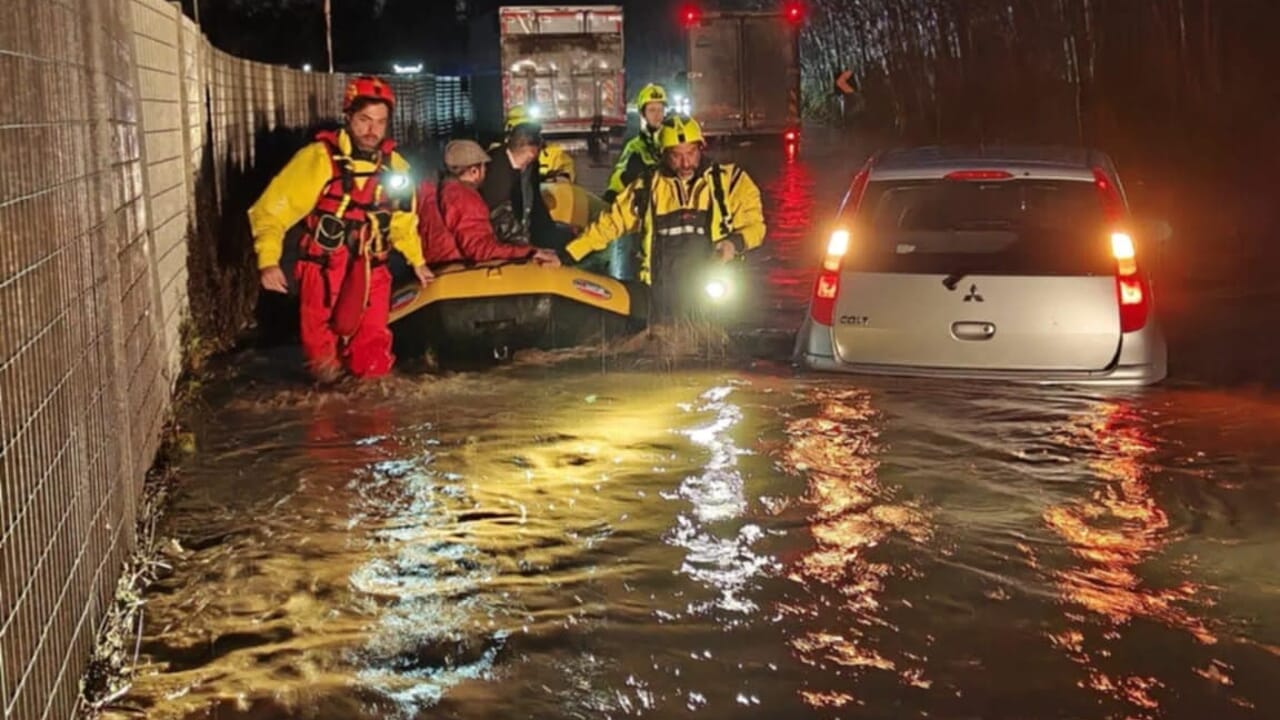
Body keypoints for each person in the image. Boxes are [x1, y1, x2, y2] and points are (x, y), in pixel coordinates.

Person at [249, 75, 433, 383]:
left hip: (372, 269)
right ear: (348, 117)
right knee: (323, 360)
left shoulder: (396, 167)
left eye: (380, 122)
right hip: (322, 269)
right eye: (364, 120)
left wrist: (418, 261)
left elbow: (402, 220)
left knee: (373, 356)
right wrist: (268, 261)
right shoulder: (317, 159)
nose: (371, 130)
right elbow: (270, 210)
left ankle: (374, 418)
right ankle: (330, 416)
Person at [560, 114, 766, 320]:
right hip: (662, 294)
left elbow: (756, 226)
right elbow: (609, 224)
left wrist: (733, 243)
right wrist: (566, 256)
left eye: (691, 153)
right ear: (663, 154)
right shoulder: (646, 188)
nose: (686, 163)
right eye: (676, 155)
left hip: (714, 288)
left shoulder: (731, 182)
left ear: (701, 148)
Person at [417, 139, 561, 266]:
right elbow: (480, 249)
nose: (486, 171)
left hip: (437, 266)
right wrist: (529, 252)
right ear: (474, 171)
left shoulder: (433, 192)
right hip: (457, 270)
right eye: (484, 166)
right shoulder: (464, 199)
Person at [479, 119, 563, 250]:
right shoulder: (494, 170)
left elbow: (535, 202)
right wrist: (526, 248)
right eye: (531, 156)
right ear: (529, 150)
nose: (534, 158)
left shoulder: (531, 165)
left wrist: (551, 230)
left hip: (527, 229)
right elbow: (499, 217)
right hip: (507, 239)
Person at [602, 83, 668, 203]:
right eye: (652, 110)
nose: (657, 115)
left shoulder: (673, 139)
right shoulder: (634, 146)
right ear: (643, 114)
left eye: (660, 109)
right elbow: (620, 172)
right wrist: (612, 193)